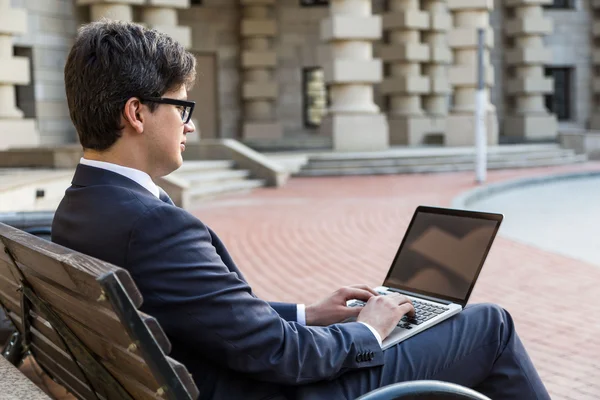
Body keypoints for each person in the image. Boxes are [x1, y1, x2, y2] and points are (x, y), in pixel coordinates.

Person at [51, 19, 551, 400]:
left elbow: (199, 314)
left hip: (215, 377)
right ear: (137, 114)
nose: (189, 126)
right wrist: (365, 330)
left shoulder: (81, 204)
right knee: (490, 326)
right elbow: (281, 355)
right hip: (283, 390)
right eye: (182, 107)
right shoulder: (153, 225)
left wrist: (307, 313)